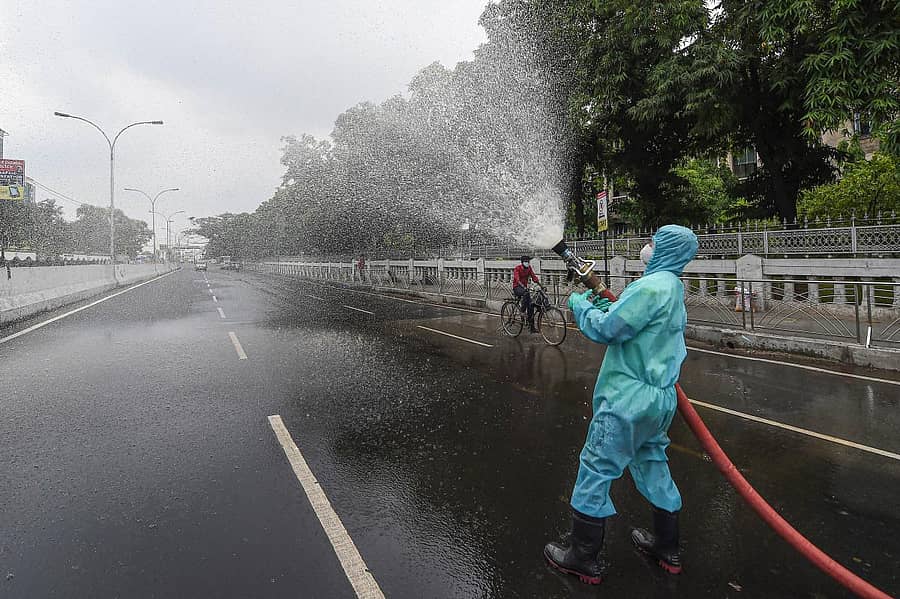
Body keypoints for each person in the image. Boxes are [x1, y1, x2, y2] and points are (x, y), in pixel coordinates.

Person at [544, 225, 699, 585]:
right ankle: (667, 547)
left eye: (653, 243)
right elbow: (631, 322)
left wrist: (581, 306)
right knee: (652, 461)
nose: (648, 247)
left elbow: (609, 330)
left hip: (627, 399)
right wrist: (600, 301)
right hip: (660, 399)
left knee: (597, 467)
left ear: (666, 249)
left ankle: (581, 556)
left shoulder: (650, 286)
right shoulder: (672, 285)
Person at [512, 255, 541, 333]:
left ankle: (532, 327)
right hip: (517, 287)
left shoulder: (529, 268)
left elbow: (534, 277)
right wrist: (523, 286)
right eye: (526, 261)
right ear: (522, 262)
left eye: (528, 261)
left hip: (524, 288)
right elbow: (517, 279)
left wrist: (541, 285)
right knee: (526, 293)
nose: (527, 263)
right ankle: (522, 311)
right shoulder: (517, 269)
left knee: (531, 305)